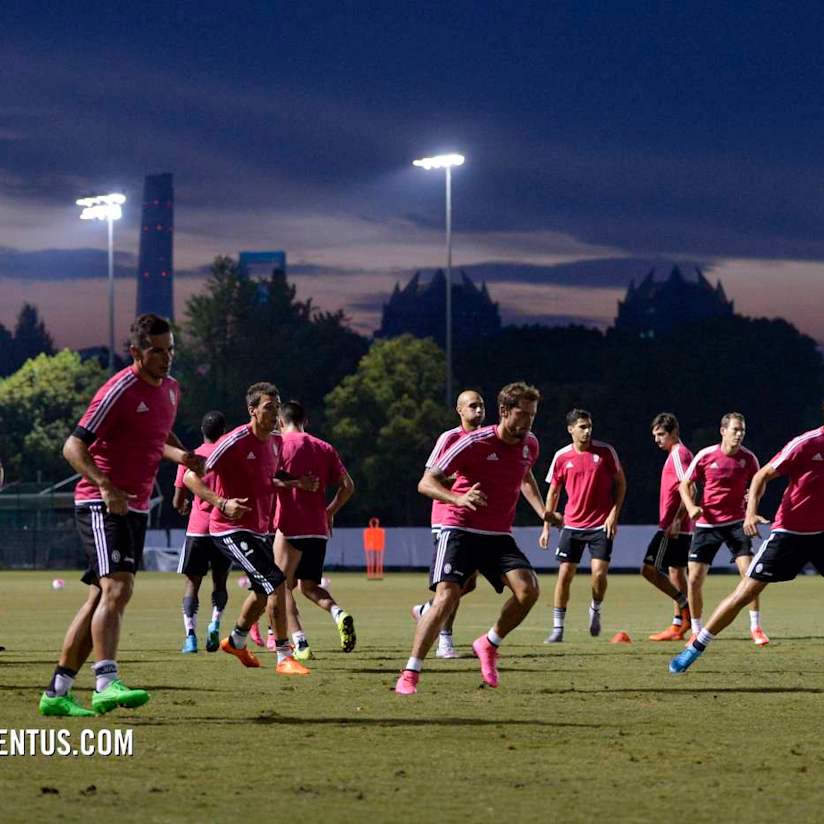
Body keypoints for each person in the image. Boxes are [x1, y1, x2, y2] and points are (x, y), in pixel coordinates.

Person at [39, 314, 205, 717]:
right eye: (156, 351)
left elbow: (158, 436)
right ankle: (105, 683)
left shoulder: (171, 390)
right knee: (118, 588)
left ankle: (57, 692)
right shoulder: (119, 389)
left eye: (170, 350)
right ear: (135, 352)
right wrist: (106, 486)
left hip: (136, 505)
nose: (166, 358)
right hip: (101, 502)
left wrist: (182, 457)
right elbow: (72, 447)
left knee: (101, 595)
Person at [395, 382, 544, 695]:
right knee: (447, 598)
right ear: (504, 412)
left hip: (498, 536)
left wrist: (544, 512)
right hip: (460, 529)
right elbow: (426, 482)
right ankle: (411, 671)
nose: (528, 422)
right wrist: (457, 499)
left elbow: (525, 475)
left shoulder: (530, 444)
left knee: (528, 590)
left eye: (532, 415)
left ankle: (489, 643)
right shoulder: (474, 442)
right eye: (522, 414)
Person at [670, 411, 824, 673]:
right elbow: (761, 476)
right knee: (746, 591)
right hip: (790, 532)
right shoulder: (807, 443)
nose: (738, 434)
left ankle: (755, 627)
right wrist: (750, 512)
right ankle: (695, 646)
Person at [183, 382, 316, 675]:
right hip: (228, 528)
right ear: (252, 410)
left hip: (258, 528)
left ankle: (236, 640)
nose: (274, 413)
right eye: (268, 407)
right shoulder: (234, 441)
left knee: (260, 590)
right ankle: (284, 656)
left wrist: (297, 482)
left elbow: (273, 476)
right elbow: (192, 477)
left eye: (277, 407)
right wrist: (221, 502)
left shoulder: (276, 442)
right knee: (276, 581)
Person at [272, 400, 355, 661]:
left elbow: (268, 479)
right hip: (318, 529)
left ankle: (299, 642)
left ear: (280, 422)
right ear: (305, 421)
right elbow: (348, 486)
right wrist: (329, 511)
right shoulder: (324, 447)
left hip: (290, 525)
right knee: (309, 586)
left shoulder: (278, 445)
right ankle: (338, 613)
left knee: (281, 587)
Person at [678, 412, 767, 645]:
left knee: (750, 575)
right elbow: (684, 485)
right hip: (707, 525)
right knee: (694, 579)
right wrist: (690, 507)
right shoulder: (706, 455)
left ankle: (756, 627)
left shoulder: (749, 459)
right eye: (735, 430)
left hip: (736, 524)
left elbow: (759, 483)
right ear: (723, 431)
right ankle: (696, 630)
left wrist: (751, 503)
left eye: (742, 431)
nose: (739, 435)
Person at [411, 389, 486, 659]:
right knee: (452, 584)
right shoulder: (450, 438)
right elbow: (429, 478)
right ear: (460, 410)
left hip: (474, 519)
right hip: (447, 518)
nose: (478, 411)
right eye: (473, 406)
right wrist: (458, 487)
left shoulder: (486, 439)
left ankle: (427, 609)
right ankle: (445, 640)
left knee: (469, 583)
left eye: (481, 406)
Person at [540, 409, 626, 642]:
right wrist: (546, 527)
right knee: (565, 575)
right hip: (572, 525)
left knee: (598, 575)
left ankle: (595, 609)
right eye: (582, 427)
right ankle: (558, 629)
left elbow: (621, 485)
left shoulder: (606, 452)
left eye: (589, 426)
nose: (587, 431)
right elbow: (553, 492)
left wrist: (613, 515)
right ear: (570, 429)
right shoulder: (561, 457)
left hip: (600, 525)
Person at [172, 410, 228, 654]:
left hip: (197, 529)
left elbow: (177, 500)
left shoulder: (190, 458)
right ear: (223, 431)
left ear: (202, 431)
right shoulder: (227, 456)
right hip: (222, 527)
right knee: (220, 582)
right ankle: (215, 624)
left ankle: (190, 637)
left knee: (192, 583)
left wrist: (183, 505)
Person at [642, 413, 693, 640]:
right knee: (676, 572)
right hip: (679, 526)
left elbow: (690, 489)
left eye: (661, 434)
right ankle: (678, 624)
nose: (657, 440)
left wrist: (677, 520)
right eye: (655, 435)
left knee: (649, 569)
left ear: (674, 433)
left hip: (672, 527)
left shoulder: (678, 455)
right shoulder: (678, 453)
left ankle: (685, 610)